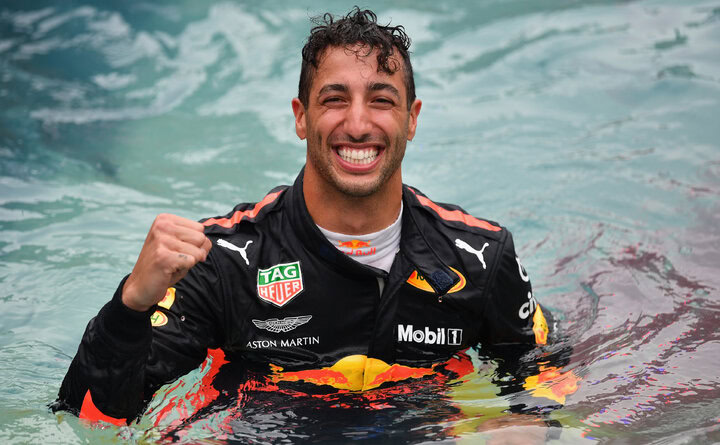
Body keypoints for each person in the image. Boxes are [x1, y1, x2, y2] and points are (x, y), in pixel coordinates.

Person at [53, 7, 550, 426]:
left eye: (381, 100)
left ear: (411, 118)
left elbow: (544, 380)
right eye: (335, 100)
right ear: (301, 116)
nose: (358, 124)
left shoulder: (482, 259)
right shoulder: (223, 261)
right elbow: (92, 418)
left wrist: (529, 425)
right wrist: (131, 304)